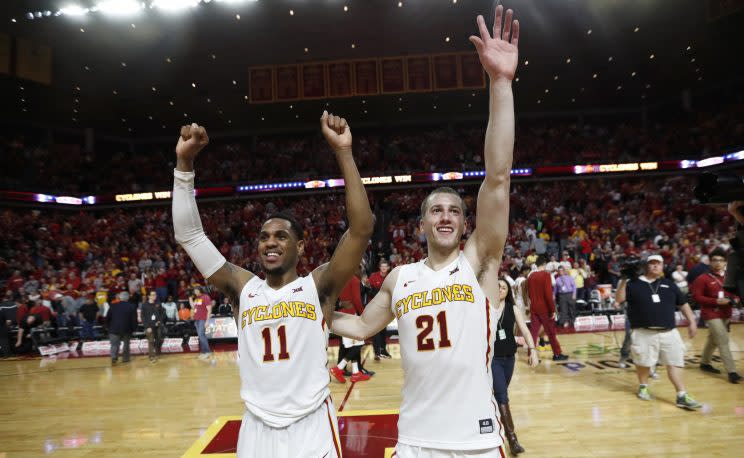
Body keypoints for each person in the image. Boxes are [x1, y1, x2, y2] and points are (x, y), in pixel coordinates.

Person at [329, 6, 520, 456]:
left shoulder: (480, 262)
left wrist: (500, 84)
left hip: (476, 440)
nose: (447, 215)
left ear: (466, 223)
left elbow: (497, 176)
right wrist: (311, 315)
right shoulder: (400, 278)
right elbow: (359, 325)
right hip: (414, 441)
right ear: (421, 225)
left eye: (455, 209)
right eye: (436, 210)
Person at [172, 112, 372, 457]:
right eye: (264, 237)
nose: (270, 242)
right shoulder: (242, 288)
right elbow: (189, 235)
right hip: (256, 427)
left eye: (281, 236)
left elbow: (361, 229)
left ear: (301, 246)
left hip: (312, 425)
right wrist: (184, 163)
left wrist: (344, 153)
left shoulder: (318, 286)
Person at [615, 254, 702, 409]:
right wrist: (623, 279)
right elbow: (619, 300)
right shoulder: (633, 283)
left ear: (663, 267)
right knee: (644, 362)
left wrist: (692, 321)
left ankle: (681, 394)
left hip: (669, 332)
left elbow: (683, 304)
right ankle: (643, 386)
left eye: (658, 264)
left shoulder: (669, 284)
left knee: (675, 362)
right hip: (643, 332)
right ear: (646, 266)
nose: (655, 266)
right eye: (652, 263)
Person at [492, 278, 539, 455]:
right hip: (492, 359)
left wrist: (533, 350)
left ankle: (491, 424)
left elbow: (525, 331)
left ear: (507, 291)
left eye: (503, 287)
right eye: (497, 286)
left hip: (509, 359)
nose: (500, 289)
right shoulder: (485, 307)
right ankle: (512, 440)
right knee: (503, 396)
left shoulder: (513, 309)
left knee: (499, 396)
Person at [691, 248, 742, 383]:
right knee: (723, 340)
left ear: (726, 263)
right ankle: (732, 372)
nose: (718, 263)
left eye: (721, 260)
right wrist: (716, 301)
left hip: (726, 312)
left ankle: (704, 363)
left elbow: (737, 293)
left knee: (713, 339)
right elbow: (697, 297)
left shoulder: (730, 278)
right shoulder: (702, 279)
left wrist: (735, 299)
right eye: (714, 260)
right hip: (710, 313)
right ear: (710, 262)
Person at [331, 263, 372, 383]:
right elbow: (357, 300)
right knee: (359, 343)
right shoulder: (354, 280)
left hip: (341, 315)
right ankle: (339, 368)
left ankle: (355, 373)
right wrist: (363, 315)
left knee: (352, 344)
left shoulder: (341, 280)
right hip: (350, 314)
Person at [526, 256, 569, 360]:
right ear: (544, 264)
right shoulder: (546, 275)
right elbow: (548, 295)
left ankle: (531, 355)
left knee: (533, 333)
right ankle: (557, 354)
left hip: (534, 307)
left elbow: (530, 294)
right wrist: (552, 310)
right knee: (551, 332)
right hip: (544, 308)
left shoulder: (531, 276)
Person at [368, 260, 392, 360]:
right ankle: (377, 352)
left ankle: (383, 350)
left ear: (388, 268)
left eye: (385, 266)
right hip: (375, 307)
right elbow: (368, 290)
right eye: (382, 266)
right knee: (376, 330)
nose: (383, 268)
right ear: (379, 267)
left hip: (386, 308)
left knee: (383, 330)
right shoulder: (373, 277)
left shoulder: (390, 277)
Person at [106, 292, 137, 365]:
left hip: (113, 328)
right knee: (126, 344)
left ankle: (114, 357)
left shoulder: (113, 305)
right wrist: (134, 329)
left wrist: (108, 327)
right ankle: (125, 358)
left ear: (120, 297)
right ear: (128, 298)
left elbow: (108, 318)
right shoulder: (132, 306)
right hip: (126, 329)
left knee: (114, 345)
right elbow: (133, 319)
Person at [141, 290, 166, 363]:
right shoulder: (144, 305)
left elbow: (162, 313)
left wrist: (160, 321)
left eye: (155, 295)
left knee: (159, 339)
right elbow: (143, 317)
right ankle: (152, 356)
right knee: (151, 341)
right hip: (149, 326)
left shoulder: (158, 303)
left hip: (158, 325)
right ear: (148, 296)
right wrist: (147, 327)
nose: (154, 296)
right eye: (152, 295)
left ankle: (156, 351)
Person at [189, 287, 213, 359]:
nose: (195, 292)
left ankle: (207, 352)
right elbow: (193, 307)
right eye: (194, 291)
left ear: (200, 290)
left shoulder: (205, 297)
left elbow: (209, 309)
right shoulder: (196, 298)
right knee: (200, 336)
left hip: (203, 319)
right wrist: (190, 299)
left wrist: (207, 321)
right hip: (197, 320)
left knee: (201, 335)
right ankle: (203, 352)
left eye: (196, 290)